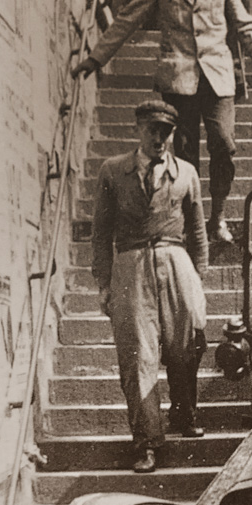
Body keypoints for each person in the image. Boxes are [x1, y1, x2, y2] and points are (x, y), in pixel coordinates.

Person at [72, 0, 252, 245]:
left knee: (224, 144)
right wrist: (95, 59)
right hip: (178, 80)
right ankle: (191, 220)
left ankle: (218, 217)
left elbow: (246, 26)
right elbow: (127, 20)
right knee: (186, 155)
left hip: (217, 78)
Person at [91, 100, 208, 473]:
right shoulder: (113, 171)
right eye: (152, 130)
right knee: (137, 356)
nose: (159, 138)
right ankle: (146, 442)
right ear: (138, 129)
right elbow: (101, 233)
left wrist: (198, 278)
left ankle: (184, 413)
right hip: (131, 266)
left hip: (176, 262)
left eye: (166, 132)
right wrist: (104, 283)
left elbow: (198, 231)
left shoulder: (186, 173)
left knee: (185, 346)